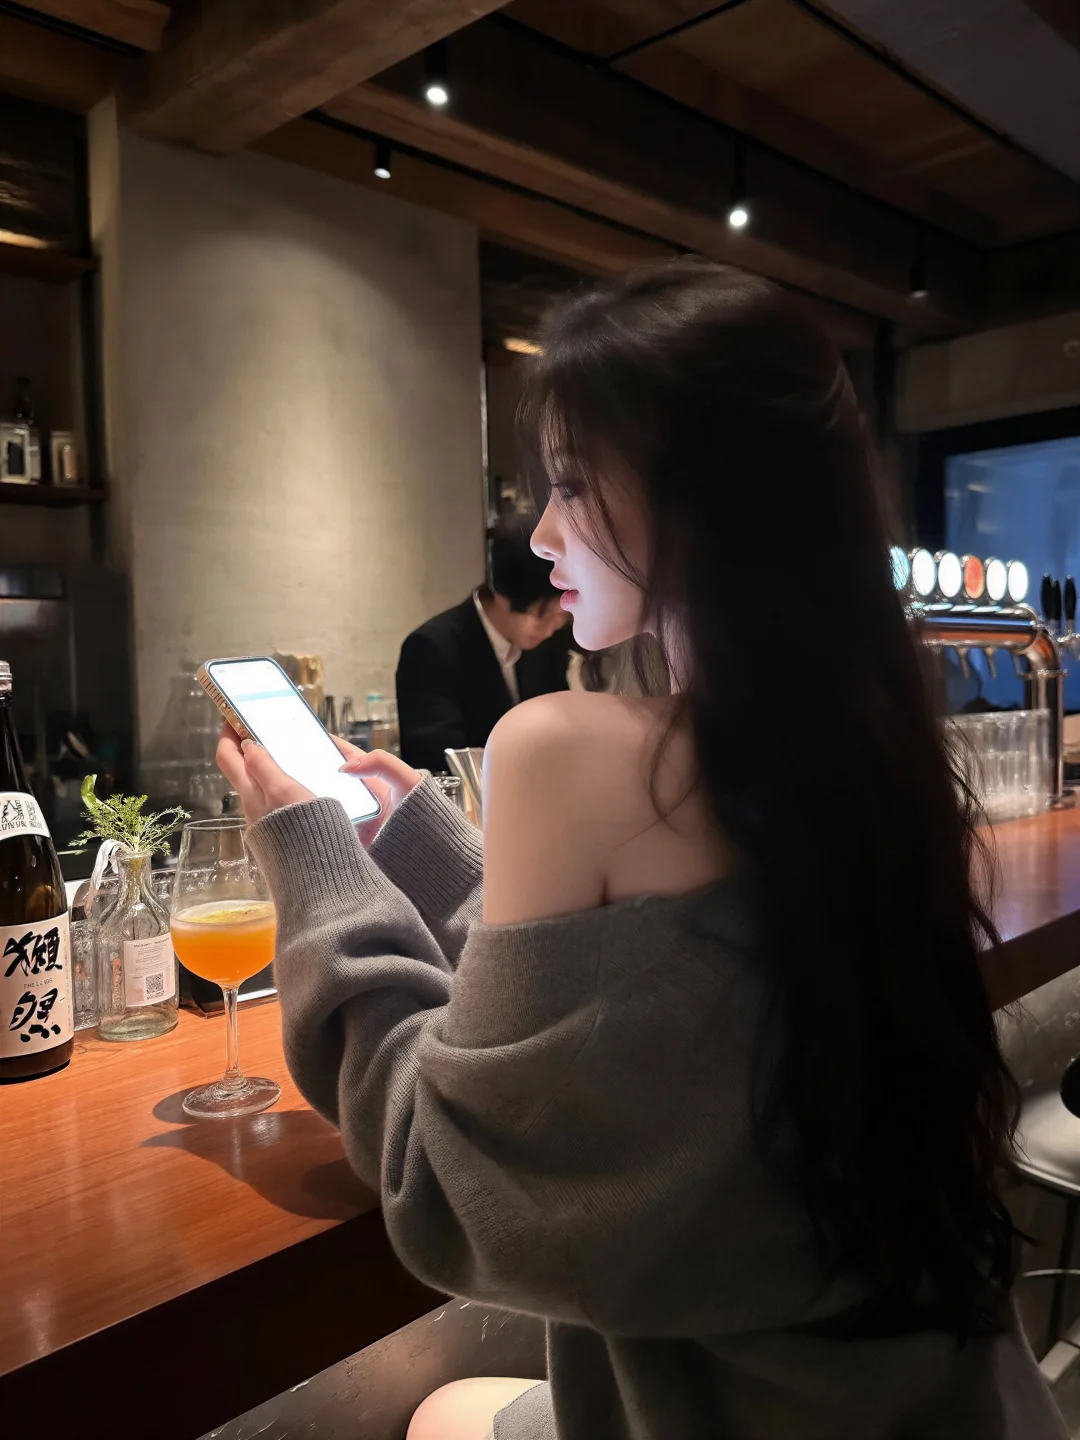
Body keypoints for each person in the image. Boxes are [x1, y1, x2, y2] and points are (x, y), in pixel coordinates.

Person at [218, 261, 1068, 1440]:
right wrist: (426, 844)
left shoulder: (563, 745)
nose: (541, 534)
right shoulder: (861, 754)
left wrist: (310, 854)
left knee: (442, 1407)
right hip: (956, 1403)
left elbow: (446, 1186)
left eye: (572, 484)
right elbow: (640, 995)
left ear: (704, 496)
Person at [395, 518, 569, 771]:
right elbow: (435, 763)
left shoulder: (547, 646)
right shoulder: (431, 649)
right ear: (502, 592)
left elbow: (559, 735)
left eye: (561, 615)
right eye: (541, 614)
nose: (551, 628)